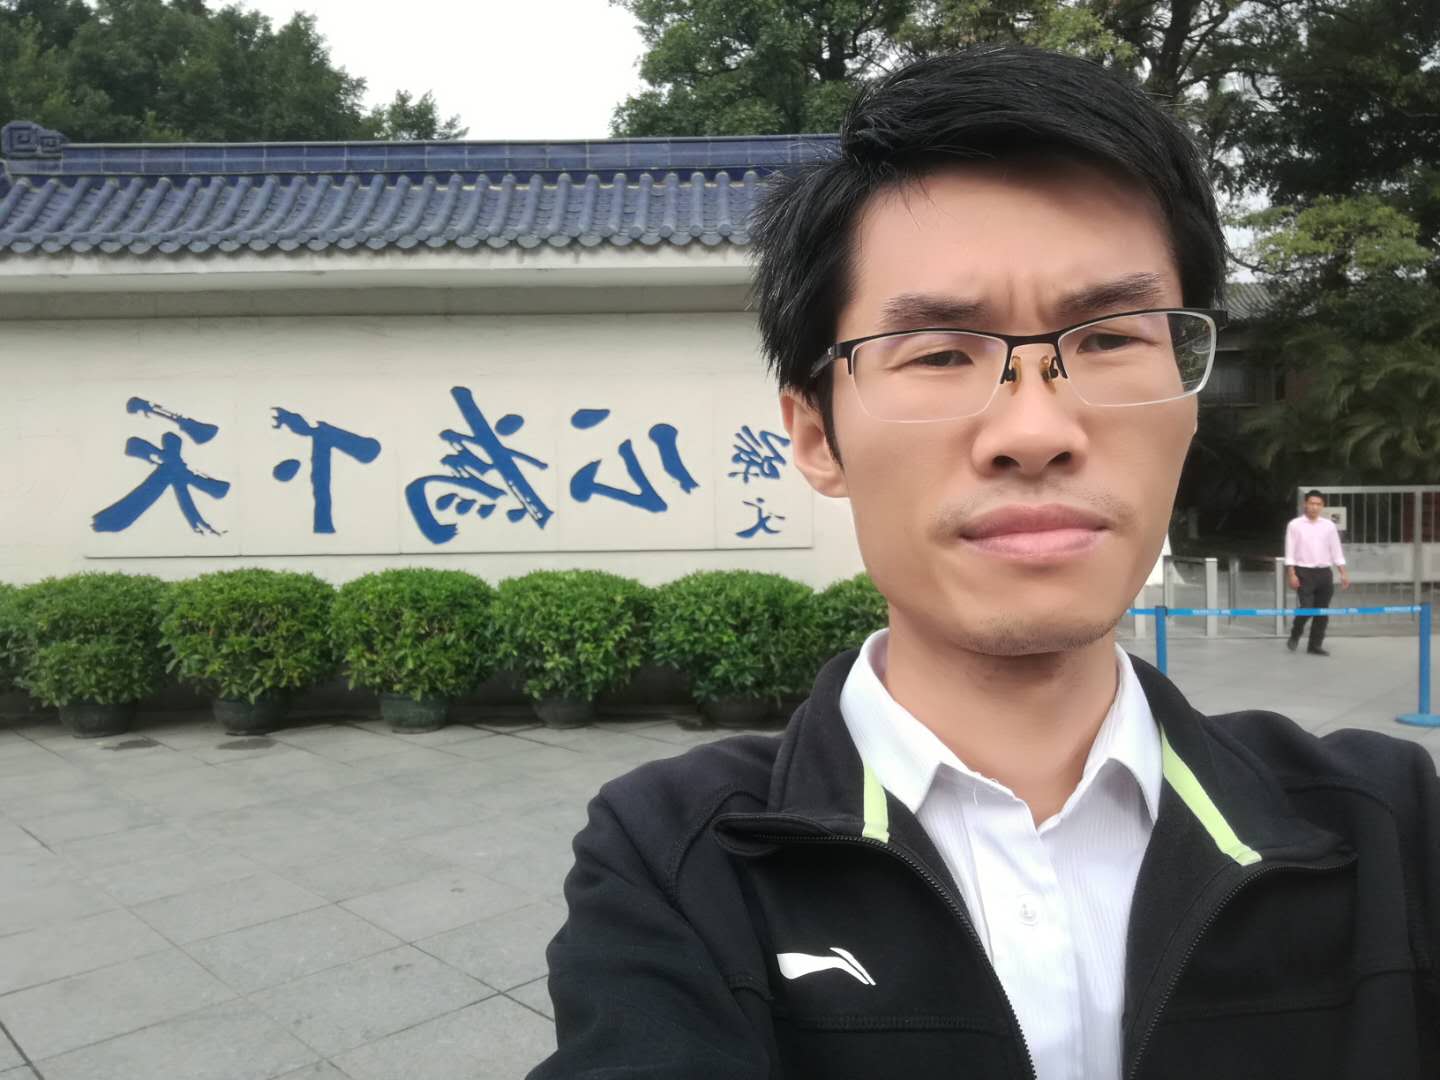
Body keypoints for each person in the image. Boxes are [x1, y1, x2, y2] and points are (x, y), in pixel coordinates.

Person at [529, 46, 1440, 1080]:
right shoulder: (678, 859)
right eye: (939, 352)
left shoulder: (1390, 827)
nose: (1036, 431)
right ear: (818, 437)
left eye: (1109, 340)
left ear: (1188, 401)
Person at [1285, 489, 1351, 656]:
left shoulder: (1329, 526)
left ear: (1323, 506)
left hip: (1324, 573)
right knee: (1307, 608)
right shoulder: (1295, 525)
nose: (1314, 507)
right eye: (1311, 503)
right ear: (1305, 504)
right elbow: (1290, 551)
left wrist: (1343, 573)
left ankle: (1315, 645)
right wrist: (1291, 573)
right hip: (1303, 572)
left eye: (1318, 504)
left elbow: (1336, 551)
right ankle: (1295, 633)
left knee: (1322, 611)